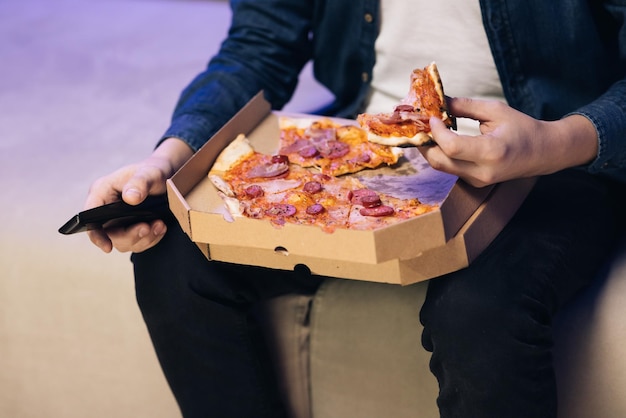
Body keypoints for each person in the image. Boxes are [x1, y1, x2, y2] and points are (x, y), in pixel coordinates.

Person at [84, 1, 626, 417]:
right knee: (169, 255)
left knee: (476, 313)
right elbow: (259, 44)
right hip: (354, 141)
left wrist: (552, 144)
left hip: (559, 153)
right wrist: (168, 158)